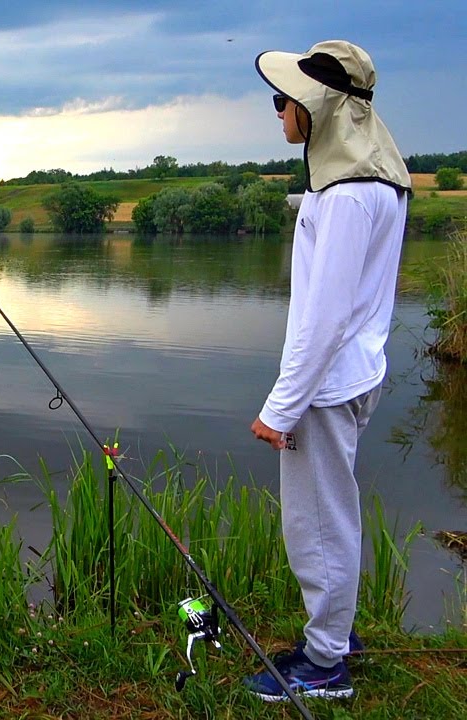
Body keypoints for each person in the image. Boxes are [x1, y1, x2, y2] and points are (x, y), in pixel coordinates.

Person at [245, 40, 411, 702]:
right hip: (354, 376)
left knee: (316, 524)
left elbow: (324, 319)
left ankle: (323, 666)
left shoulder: (346, 198)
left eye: (283, 101)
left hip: (327, 385)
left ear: (317, 109)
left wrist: (279, 409)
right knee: (337, 512)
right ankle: (335, 634)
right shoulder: (373, 184)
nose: (278, 111)